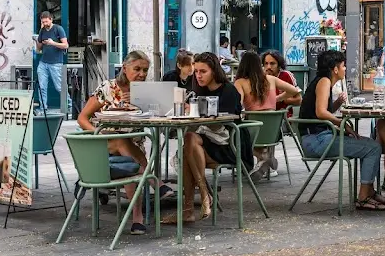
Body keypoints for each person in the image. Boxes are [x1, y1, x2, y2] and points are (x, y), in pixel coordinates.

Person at [77, 50, 169, 235]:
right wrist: (99, 134)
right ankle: (154, 185)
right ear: (125, 68)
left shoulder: (146, 92)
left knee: (129, 158)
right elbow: (82, 118)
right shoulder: (108, 88)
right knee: (120, 141)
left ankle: (137, 218)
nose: (142, 74)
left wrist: (141, 103)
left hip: (133, 145)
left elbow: (159, 116)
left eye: (145, 70)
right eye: (137, 69)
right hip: (104, 143)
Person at [298, 50, 385, 211]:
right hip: (317, 140)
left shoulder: (322, 82)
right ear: (335, 69)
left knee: (368, 144)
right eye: (343, 66)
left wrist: (337, 103)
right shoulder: (323, 81)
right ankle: (364, 196)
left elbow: (322, 109)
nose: (345, 69)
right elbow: (320, 112)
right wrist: (345, 125)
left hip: (317, 137)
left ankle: (370, 191)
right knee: (373, 147)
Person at [177, 52, 255, 222]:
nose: (198, 75)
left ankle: (193, 206)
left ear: (214, 71)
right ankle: (200, 200)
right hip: (209, 142)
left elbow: (221, 123)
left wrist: (194, 114)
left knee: (188, 147)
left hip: (230, 145)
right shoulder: (198, 90)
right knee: (189, 143)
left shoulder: (228, 90)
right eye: (196, 71)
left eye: (203, 71)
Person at [234, 51, 302, 177]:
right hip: (272, 130)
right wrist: (278, 98)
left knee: (233, 137)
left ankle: (261, 156)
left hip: (253, 128)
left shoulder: (240, 82)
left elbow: (237, 103)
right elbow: (294, 90)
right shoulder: (271, 79)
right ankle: (264, 158)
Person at [35, 11, 68, 113]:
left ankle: (69, 106)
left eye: (46, 22)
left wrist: (52, 43)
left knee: (59, 87)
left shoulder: (58, 29)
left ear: (51, 19)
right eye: (43, 22)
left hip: (56, 63)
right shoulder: (42, 30)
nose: (45, 24)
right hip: (43, 62)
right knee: (42, 87)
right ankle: (43, 108)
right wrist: (37, 40)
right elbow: (39, 48)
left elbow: (66, 45)